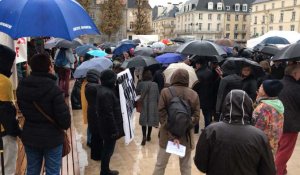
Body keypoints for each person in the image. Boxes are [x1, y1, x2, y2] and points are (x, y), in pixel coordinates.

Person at [194, 90, 276, 175]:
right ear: (248, 107)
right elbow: (268, 170)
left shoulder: (211, 131)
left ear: (225, 105)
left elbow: (201, 164)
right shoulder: (259, 136)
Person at [17, 53, 71, 174]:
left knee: (32, 169)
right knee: (52, 171)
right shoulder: (54, 89)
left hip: (30, 135)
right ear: (48, 68)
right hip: (52, 138)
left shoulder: (22, 86)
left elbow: (23, 109)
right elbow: (65, 121)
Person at [153, 69, 200, 175]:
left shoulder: (165, 92)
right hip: (186, 136)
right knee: (186, 167)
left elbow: (161, 113)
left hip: (167, 135)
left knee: (160, 165)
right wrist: (184, 126)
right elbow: (196, 117)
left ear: (173, 77)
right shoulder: (194, 94)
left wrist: (172, 135)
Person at [97, 70, 124, 175]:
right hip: (109, 128)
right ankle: (104, 171)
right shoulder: (106, 94)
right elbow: (109, 114)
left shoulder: (103, 89)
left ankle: (105, 169)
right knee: (108, 150)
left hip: (105, 126)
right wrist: (114, 130)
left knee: (107, 149)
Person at [275, 64, 300, 175]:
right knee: (284, 153)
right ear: (295, 73)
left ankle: (282, 171)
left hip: (275, 123)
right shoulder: (297, 88)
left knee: (278, 150)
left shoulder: (276, 84)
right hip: (291, 126)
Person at [0, 44, 21, 175]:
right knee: (8, 167)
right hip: (4, 133)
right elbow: (5, 111)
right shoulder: (4, 82)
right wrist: (17, 131)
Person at [253, 80, 284, 155]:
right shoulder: (277, 104)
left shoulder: (263, 108)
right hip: (273, 143)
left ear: (264, 92)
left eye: (261, 87)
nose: (259, 88)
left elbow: (257, 128)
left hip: (261, 146)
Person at [136, 70, 159, 146]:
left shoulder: (141, 83)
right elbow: (158, 96)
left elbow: (136, 93)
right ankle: (149, 136)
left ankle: (144, 137)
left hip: (144, 104)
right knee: (150, 120)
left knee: (144, 121)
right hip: (153, 105)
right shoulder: (155, 84)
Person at [85, 69, 103, 161]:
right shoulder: (95, 87)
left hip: (91, 111)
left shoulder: (88, 85)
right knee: (97, 135)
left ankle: (95, 154)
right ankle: (97, 155)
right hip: (96, 112)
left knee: (95, 134)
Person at [193, 60, 214, 130]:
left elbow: (195, 86)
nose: (196, 65)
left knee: (196, 113)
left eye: (197, 64)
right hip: (208, 96)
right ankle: (207, 129)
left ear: (199, 64)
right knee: (207, 114)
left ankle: (196, 128)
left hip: (198, 95)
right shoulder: (210, 72)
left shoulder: (197, 73)